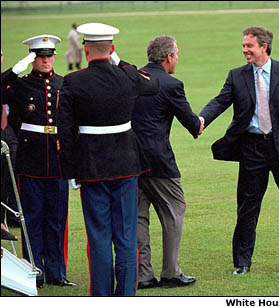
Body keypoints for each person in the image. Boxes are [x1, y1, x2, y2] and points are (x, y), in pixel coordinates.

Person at [199, 26, 279, 275]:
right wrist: (202, 119)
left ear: (264, 46)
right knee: (247, 206)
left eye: (249, 46)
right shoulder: (236, 76)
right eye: (243, 46)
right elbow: (220, 101)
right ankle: (242, 263)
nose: (244, 50)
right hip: (252, 148)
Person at [58, 23, 159, 296]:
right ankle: (126, 294)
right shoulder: (127, 75)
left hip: (91, 167)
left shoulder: (73, 81)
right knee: (126, 236)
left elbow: (64, 131)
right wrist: (119, 61)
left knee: (99, 236)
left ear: (86, 50)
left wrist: (69, 172)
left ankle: (101, 295)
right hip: (126, 164)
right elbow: (153, 84)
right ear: (112, 49)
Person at [2, 35, 75, 289]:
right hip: (30, 158)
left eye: (49, 55)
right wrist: (16, 69)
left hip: (57, 159)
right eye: (40, 56)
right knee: (32, 219)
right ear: (33, 58)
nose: (46, 60)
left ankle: (57, 272)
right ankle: (36, 271)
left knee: (57, 218)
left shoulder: (63, 84)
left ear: (55, 56)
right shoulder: (20, 85)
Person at [132, 35, 202, 289]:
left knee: (139, 216)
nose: (178, 59)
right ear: (169, 56)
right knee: (174, 211)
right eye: (177, 54)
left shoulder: (133, 78)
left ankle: (143, 275)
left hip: (131, 160)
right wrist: (200, 123)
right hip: (159, 161)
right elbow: (192, 124)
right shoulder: (172, 84)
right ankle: (171, 272)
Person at [1, 47, 20, 229]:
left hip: (7, 130)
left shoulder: (8, 81)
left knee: (14, 169)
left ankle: (13, 215)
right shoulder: (7, 78)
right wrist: (14, 71)